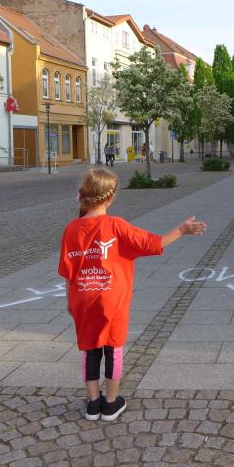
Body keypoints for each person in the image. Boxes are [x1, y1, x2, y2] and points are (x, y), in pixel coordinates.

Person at [59, 168, 206, 421]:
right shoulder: (116, 226)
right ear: (110, 198)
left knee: (89, 349)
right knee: (113, 347)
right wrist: (181, 230)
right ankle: (111, 402)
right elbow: (153, 243)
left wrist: (70, 302)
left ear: (83, 195)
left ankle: (93, 404)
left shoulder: (71, 229)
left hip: (82, 299)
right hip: (112, 300)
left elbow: (67, 271)